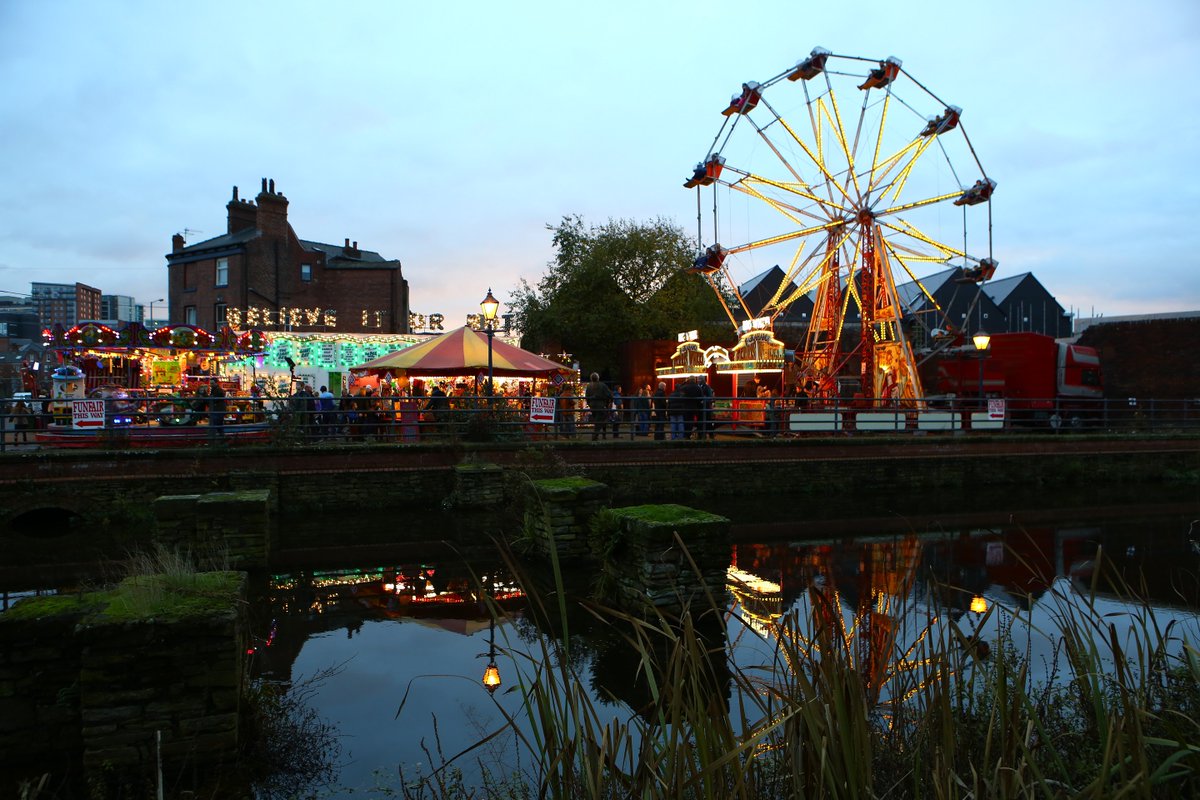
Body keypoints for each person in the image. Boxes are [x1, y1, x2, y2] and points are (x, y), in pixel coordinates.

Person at [584, 372, 613, 441]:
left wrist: (589, 404)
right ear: (598, 378)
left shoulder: (589, 386)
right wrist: (609, 400)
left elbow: (587, 396)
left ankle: (598, 435)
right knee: (600, 420)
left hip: (592, 406)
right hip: (601, 405)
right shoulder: (602, 385)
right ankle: (596, 435)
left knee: (597, 420)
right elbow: (609, 395)